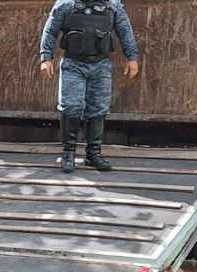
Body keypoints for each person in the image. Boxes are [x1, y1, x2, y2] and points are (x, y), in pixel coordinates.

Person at [39, 0, 139, 173]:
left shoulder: (113, 5)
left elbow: (125, 31)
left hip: (101, 65)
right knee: (71, 106)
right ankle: (68, 153)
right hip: (73, 64)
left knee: (99, 109)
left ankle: (93, 155)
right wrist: (46, 57)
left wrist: (132, 57)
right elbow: (50, 30)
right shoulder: (65, 4)